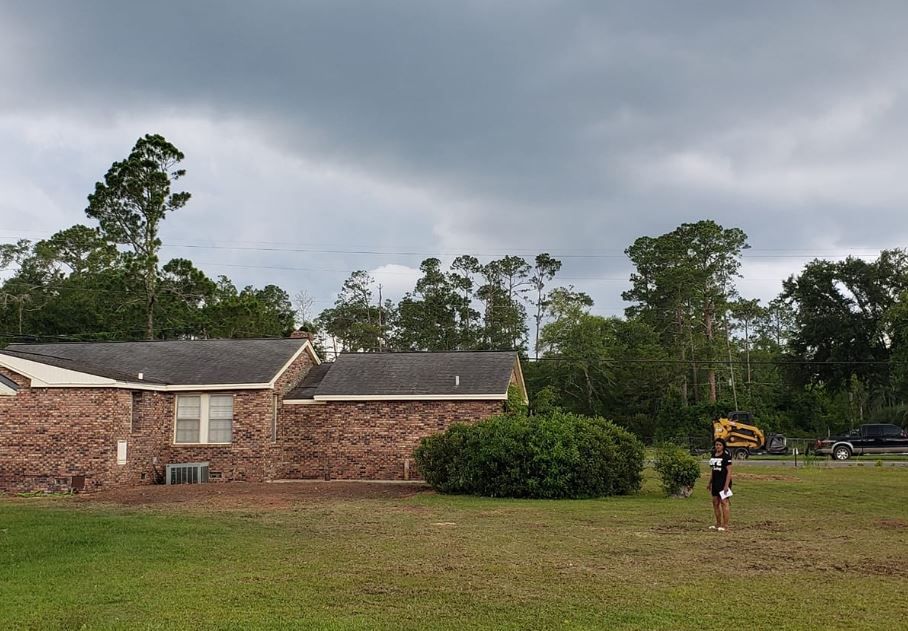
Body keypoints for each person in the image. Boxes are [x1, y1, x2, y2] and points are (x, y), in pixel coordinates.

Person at [706, 437, 733, 531]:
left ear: (723, 446)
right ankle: (718, 523)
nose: (718, 446)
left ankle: (725, 525)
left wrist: (726, 485)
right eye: (716, 444)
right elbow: (713, 470)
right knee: (715, 502)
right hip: (715, 482)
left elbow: (729, 472)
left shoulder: (726, 456)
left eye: (720, 445)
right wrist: (710, 482)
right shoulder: (713, 454)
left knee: (724, 502)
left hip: (724, 482)